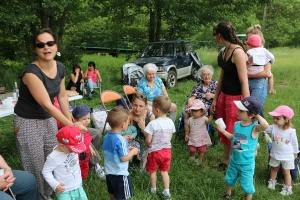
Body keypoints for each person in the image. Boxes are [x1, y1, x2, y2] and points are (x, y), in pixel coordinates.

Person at [13, 28, 86, 200]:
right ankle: (38, 196)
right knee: (35, 164)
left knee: (54, 156)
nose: (46, 47)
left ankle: (50, 192)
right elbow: (47, 104)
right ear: (35, 49)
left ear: (56, 46)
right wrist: (72, 126)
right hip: (27, 122)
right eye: (40, 44)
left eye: (50, 43)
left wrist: (70, 124)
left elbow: (61, 96)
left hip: (48, 119)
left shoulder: (60, 67)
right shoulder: (31, 73)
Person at [211, 21, 249, 171]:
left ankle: (238, 161)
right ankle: (226, 160)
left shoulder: (238, 52)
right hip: (224, 97)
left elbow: (244, 81)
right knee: (224, 129)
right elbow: (221, 78)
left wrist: (246, 105)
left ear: (219, 36)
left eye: (215, 36)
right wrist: (215, 98)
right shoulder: (224, 51)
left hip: (237, 99)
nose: (215, 38)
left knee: (237, 132)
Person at [216, 96, 269, 200]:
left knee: (247, 185)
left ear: (251, 115)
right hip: (234, 160)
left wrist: (256, 114)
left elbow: (265, 125)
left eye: (241, 110)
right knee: (229, 179)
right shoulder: (237, 124)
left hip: (246, 164)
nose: (237, 111)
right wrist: (223, 131)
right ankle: (227, 194)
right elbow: (233, 138)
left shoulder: (254, 128)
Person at [102, 106, 139, 200]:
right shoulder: (121, 140)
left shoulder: (106, 136)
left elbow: (114, 151)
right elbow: (123, 158)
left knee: (112, 195)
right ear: (123, 125)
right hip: (120, 175)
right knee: (122, 197)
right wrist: (133, 152)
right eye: (128, 122)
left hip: (109, 173)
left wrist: (126, 149)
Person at [42, 126, 88, 200]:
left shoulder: (71, 148)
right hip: (64, 191)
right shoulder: (53, 157)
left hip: (78, 186)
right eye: (72, 149)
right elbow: (46, 171)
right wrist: (55, 184)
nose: (75, 151)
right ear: (62, 146)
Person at [145, 96, 176, 199]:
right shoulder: (171, 122)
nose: (151, 109)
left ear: (157, 110)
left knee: (153, 172)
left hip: (155, 152)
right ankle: (166, 191)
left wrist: (148, 145)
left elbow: (149, 140)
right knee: (164, 172)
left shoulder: (152, 124)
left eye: (152, 107)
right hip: (167, 151)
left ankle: (153, 190)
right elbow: (170, 137)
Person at [266, 106, 298, 196]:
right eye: (274, 118)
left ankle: (288, 188)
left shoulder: (291, 131)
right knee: (274, 168)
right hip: (275, 154)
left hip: (287, 156)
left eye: (278, 118)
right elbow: (264, 127)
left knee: (286, 172)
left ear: (286, 119)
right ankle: (272, 182)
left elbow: (295, 143)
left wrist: (295, 153)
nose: (275, 120)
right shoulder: (273, 127)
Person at [246, 24, 273, 112]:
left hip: (258, 84)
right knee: (249, 108)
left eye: (250, 39)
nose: (247, 41)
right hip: (246, 84)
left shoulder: (264, 54)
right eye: (247, 39)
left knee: (254, 108)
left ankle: (261, 125)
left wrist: (247, 75)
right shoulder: (247, 52)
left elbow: (266, 73)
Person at [183, 65, 217, 133]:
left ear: (211, 75)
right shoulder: (198, 86)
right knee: (186, 112)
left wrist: (213, 95)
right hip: (196, 104)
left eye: (208, 74)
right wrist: (190, 107)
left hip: (208, 104)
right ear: (201, 76)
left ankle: (199, 131)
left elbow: (221, 96)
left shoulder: (216, 84)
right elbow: (191, 98)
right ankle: (188, 131)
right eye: (204, 74)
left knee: (198, 111)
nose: (207, 76)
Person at [72, 105, 99, 180]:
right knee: (77, 166)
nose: (87, 121)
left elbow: (87, 141)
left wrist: (90, 149)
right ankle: (77, 178)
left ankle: (84, 177)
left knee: (85, 165)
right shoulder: (75, 131)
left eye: (88, 118)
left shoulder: (85, 130)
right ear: (75, 120)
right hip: (78, 154)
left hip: (86, 152)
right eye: (84, 119)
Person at [130, 91, 155, 169]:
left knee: (140, 169)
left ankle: (145, 157)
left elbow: (152, 139)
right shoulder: (129, 114)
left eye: (141, 106)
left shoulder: (150, 116)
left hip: (144, 143)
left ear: (145, 106)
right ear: (131, 104)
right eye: (135, 105)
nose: (137, 109)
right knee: (128, 160)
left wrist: (143, 128)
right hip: (131, 142)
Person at [184, 99, 213, 164]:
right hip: (193, 137)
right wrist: (187, 134)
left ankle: (200, 159)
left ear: (202, 112)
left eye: (196, 111)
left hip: (201, 138)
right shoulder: (190, 119)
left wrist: (211, 115)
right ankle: (192, 157)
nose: (194, 112)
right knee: (192, 148)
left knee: (202, 149)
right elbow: (188, 127)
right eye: (192, 111)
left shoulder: (203, 119)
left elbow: (209, 122)